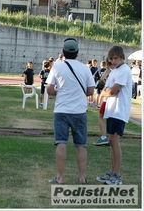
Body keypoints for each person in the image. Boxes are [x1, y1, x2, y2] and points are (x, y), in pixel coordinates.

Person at [46, 38, 95, 184]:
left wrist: (59, 92)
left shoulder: (57, 67)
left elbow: (49, 89)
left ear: (63, 52)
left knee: (61, 143)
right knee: (81, 145)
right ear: (78, 52)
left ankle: (60, 177)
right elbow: (90, 90)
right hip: (79, 110)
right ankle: (82, 177)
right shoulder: (85, 68)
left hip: (62, 109)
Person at [96, 46, 132, 185]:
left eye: (116, 58)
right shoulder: (116, 70)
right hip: (112, 110)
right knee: (112, 140)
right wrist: (106, 91)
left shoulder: (124, 70)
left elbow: (112, 91)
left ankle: (116, 175)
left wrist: (103, 92)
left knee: (114, 141)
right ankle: (112, 172)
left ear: (122, 57)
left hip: (119, 110)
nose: (113, 61)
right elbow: (108, 88)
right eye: (111, 59)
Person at [93, 60, 113, 146]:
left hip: (108, 98)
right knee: (107, 116)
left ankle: (104, 137)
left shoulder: (113, 72)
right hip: (110, 98)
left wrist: (105, 88)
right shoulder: (114, 71)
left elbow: (102, 79)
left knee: (101, 116)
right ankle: (107, 137)